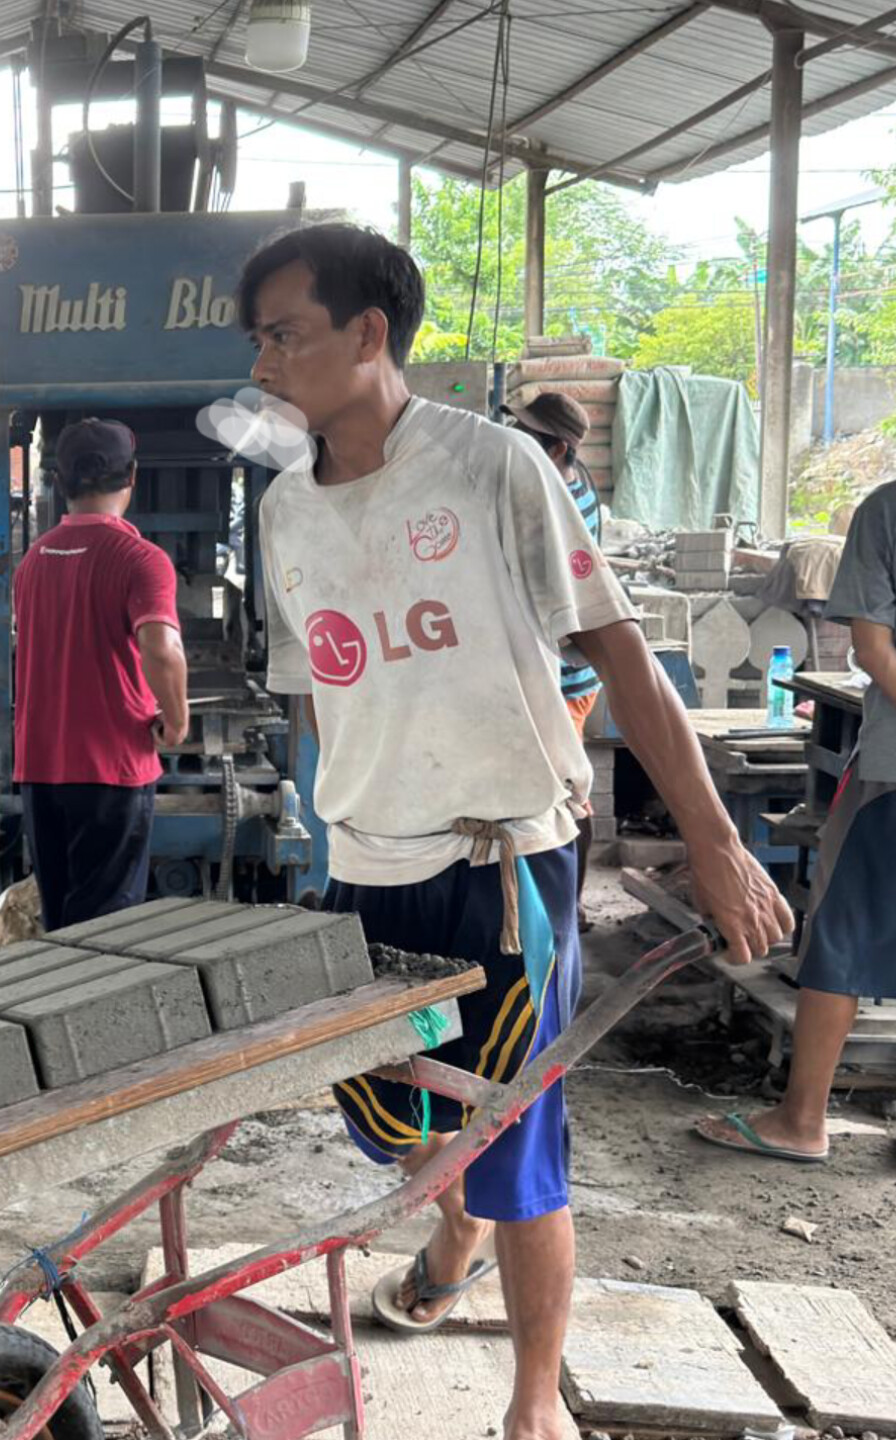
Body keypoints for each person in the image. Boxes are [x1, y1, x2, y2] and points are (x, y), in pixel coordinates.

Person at [239, 223, 790, 1440]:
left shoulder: (494, 469)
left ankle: (535, 1405)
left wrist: (714, 842)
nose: (266, 366)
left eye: (286, 335)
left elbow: (620, 654)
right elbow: (319, 698)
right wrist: (319, 829)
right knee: (402, 1122)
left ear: (369, 333)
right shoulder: (282, 511)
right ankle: (455, 1244)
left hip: (503, 862)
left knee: (518, 1141)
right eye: (259, 342)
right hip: (366, 864)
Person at [695, 481, 896, 1162]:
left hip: (892, 776)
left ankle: (802, 1119)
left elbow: (872, 650)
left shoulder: (888, 509)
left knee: (840, 935)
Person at [13, 419, 188, 931]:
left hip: (41, 770)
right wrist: (175, 721)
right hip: (110, 770)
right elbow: (162, 647)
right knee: (104, 933)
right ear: (132, 474)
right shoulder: (140, 559)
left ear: (59, 479)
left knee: (63, 924)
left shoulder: (33, 561)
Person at [505, 392, 605, 928]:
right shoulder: (565, 480)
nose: (516, 444)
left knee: (567, 793)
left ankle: (571, 903)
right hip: (545, 670)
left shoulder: (567, 504)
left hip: (564, 676)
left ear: (559, 448)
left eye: (529, 438)